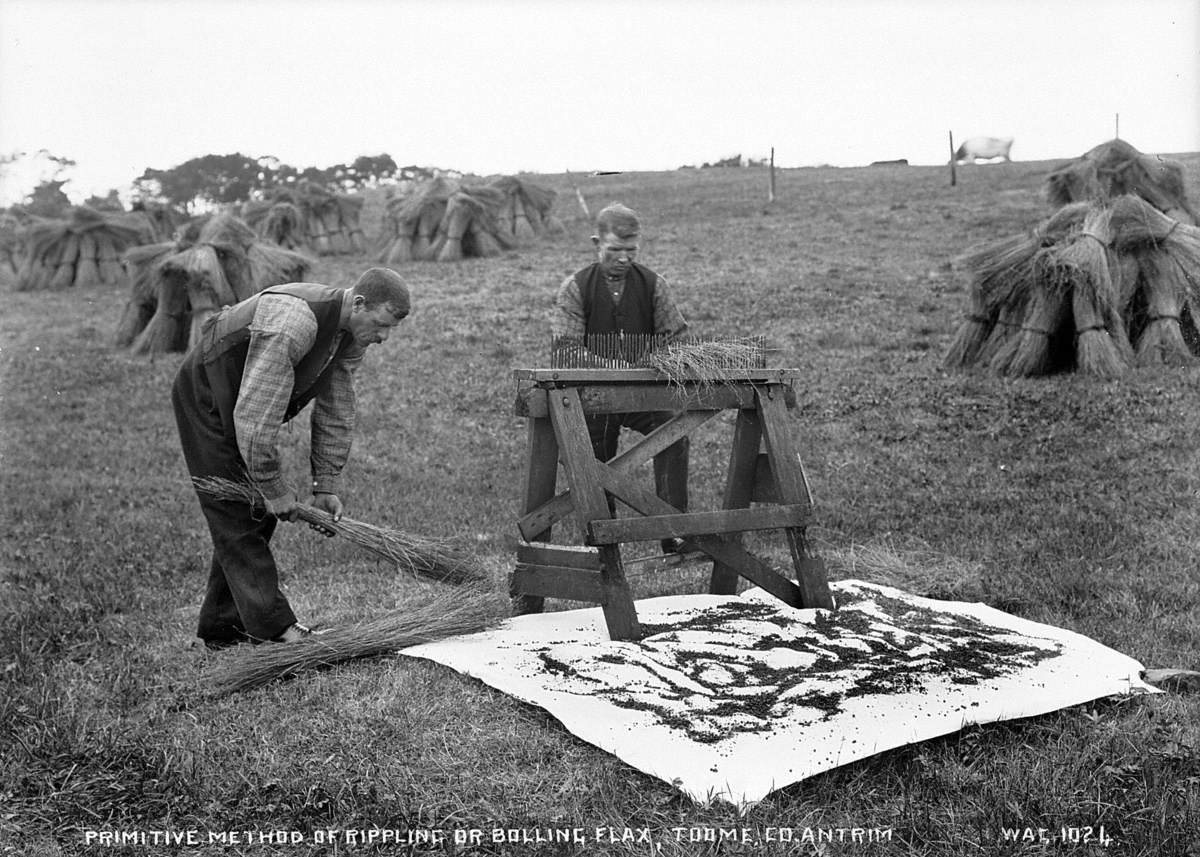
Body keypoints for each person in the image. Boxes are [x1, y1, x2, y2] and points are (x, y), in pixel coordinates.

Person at [172, 267, 410, 650]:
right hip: (208, 398)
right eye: (381, 325)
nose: (382, 338)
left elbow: (337, 408)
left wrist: (325, 485)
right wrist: (272, 486)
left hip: (242, 401)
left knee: (250, 515)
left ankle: (222, 626)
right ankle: (275, 630)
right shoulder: (294, 323)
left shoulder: (351, 336)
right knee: (237, 512)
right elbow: (253, 416)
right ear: (359, 302)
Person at [553, 202, 690, 553]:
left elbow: (677, 339)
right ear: (596, 242)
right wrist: (614, 371)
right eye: (615, 250)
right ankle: (604, 538)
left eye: (632, 251)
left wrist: (653, 363)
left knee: (674, 432)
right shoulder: (576, 288)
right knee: (593, 456)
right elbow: (565, 350)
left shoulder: (655, 285)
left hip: (644, 396)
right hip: (593, 399)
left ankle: (672, 528)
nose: (624, 259)